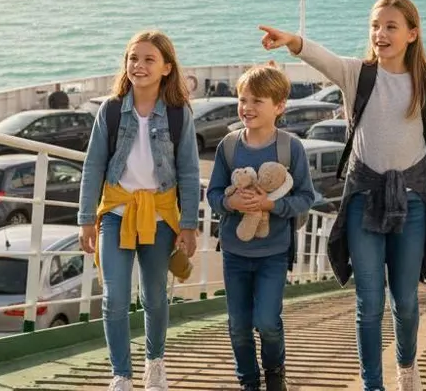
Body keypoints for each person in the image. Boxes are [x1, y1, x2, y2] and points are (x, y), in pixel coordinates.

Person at [259, 0, 426, 391]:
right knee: (369, 302)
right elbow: (321, 57)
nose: (381, 34)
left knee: (405, 302)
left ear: (412, 34)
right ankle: (372, 384)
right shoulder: (357, 74)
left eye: (391, 26)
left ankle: (407, 367)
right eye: (376, 26)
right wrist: (292, 40)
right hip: (362, 198)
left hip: (411, 201)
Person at [77, 30, 202, 391]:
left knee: (154, 297)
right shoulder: (111, 110)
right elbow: (93, 166)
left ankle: (155, 363)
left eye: (149, 59)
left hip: (161, 216)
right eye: (133, 58)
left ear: (166, 68)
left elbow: (189, 170)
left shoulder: (178, 114)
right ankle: (121, 375)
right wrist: (86, 219)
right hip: (116, 212)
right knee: (114, 297)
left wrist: (189, 224)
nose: (139, 66)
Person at [206, 63, 316, 391]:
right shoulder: (228, 146)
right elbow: (213, 194)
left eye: (257, 101)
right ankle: (248, 381)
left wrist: (272, 206)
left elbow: (305, 198)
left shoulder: (290, 147)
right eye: (243, 99)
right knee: (239, 326)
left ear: (279, 106)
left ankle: (274, 371)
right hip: (235, 253)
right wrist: (231, 203)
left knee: (267, 322)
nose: (247, 107)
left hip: (274, 253)